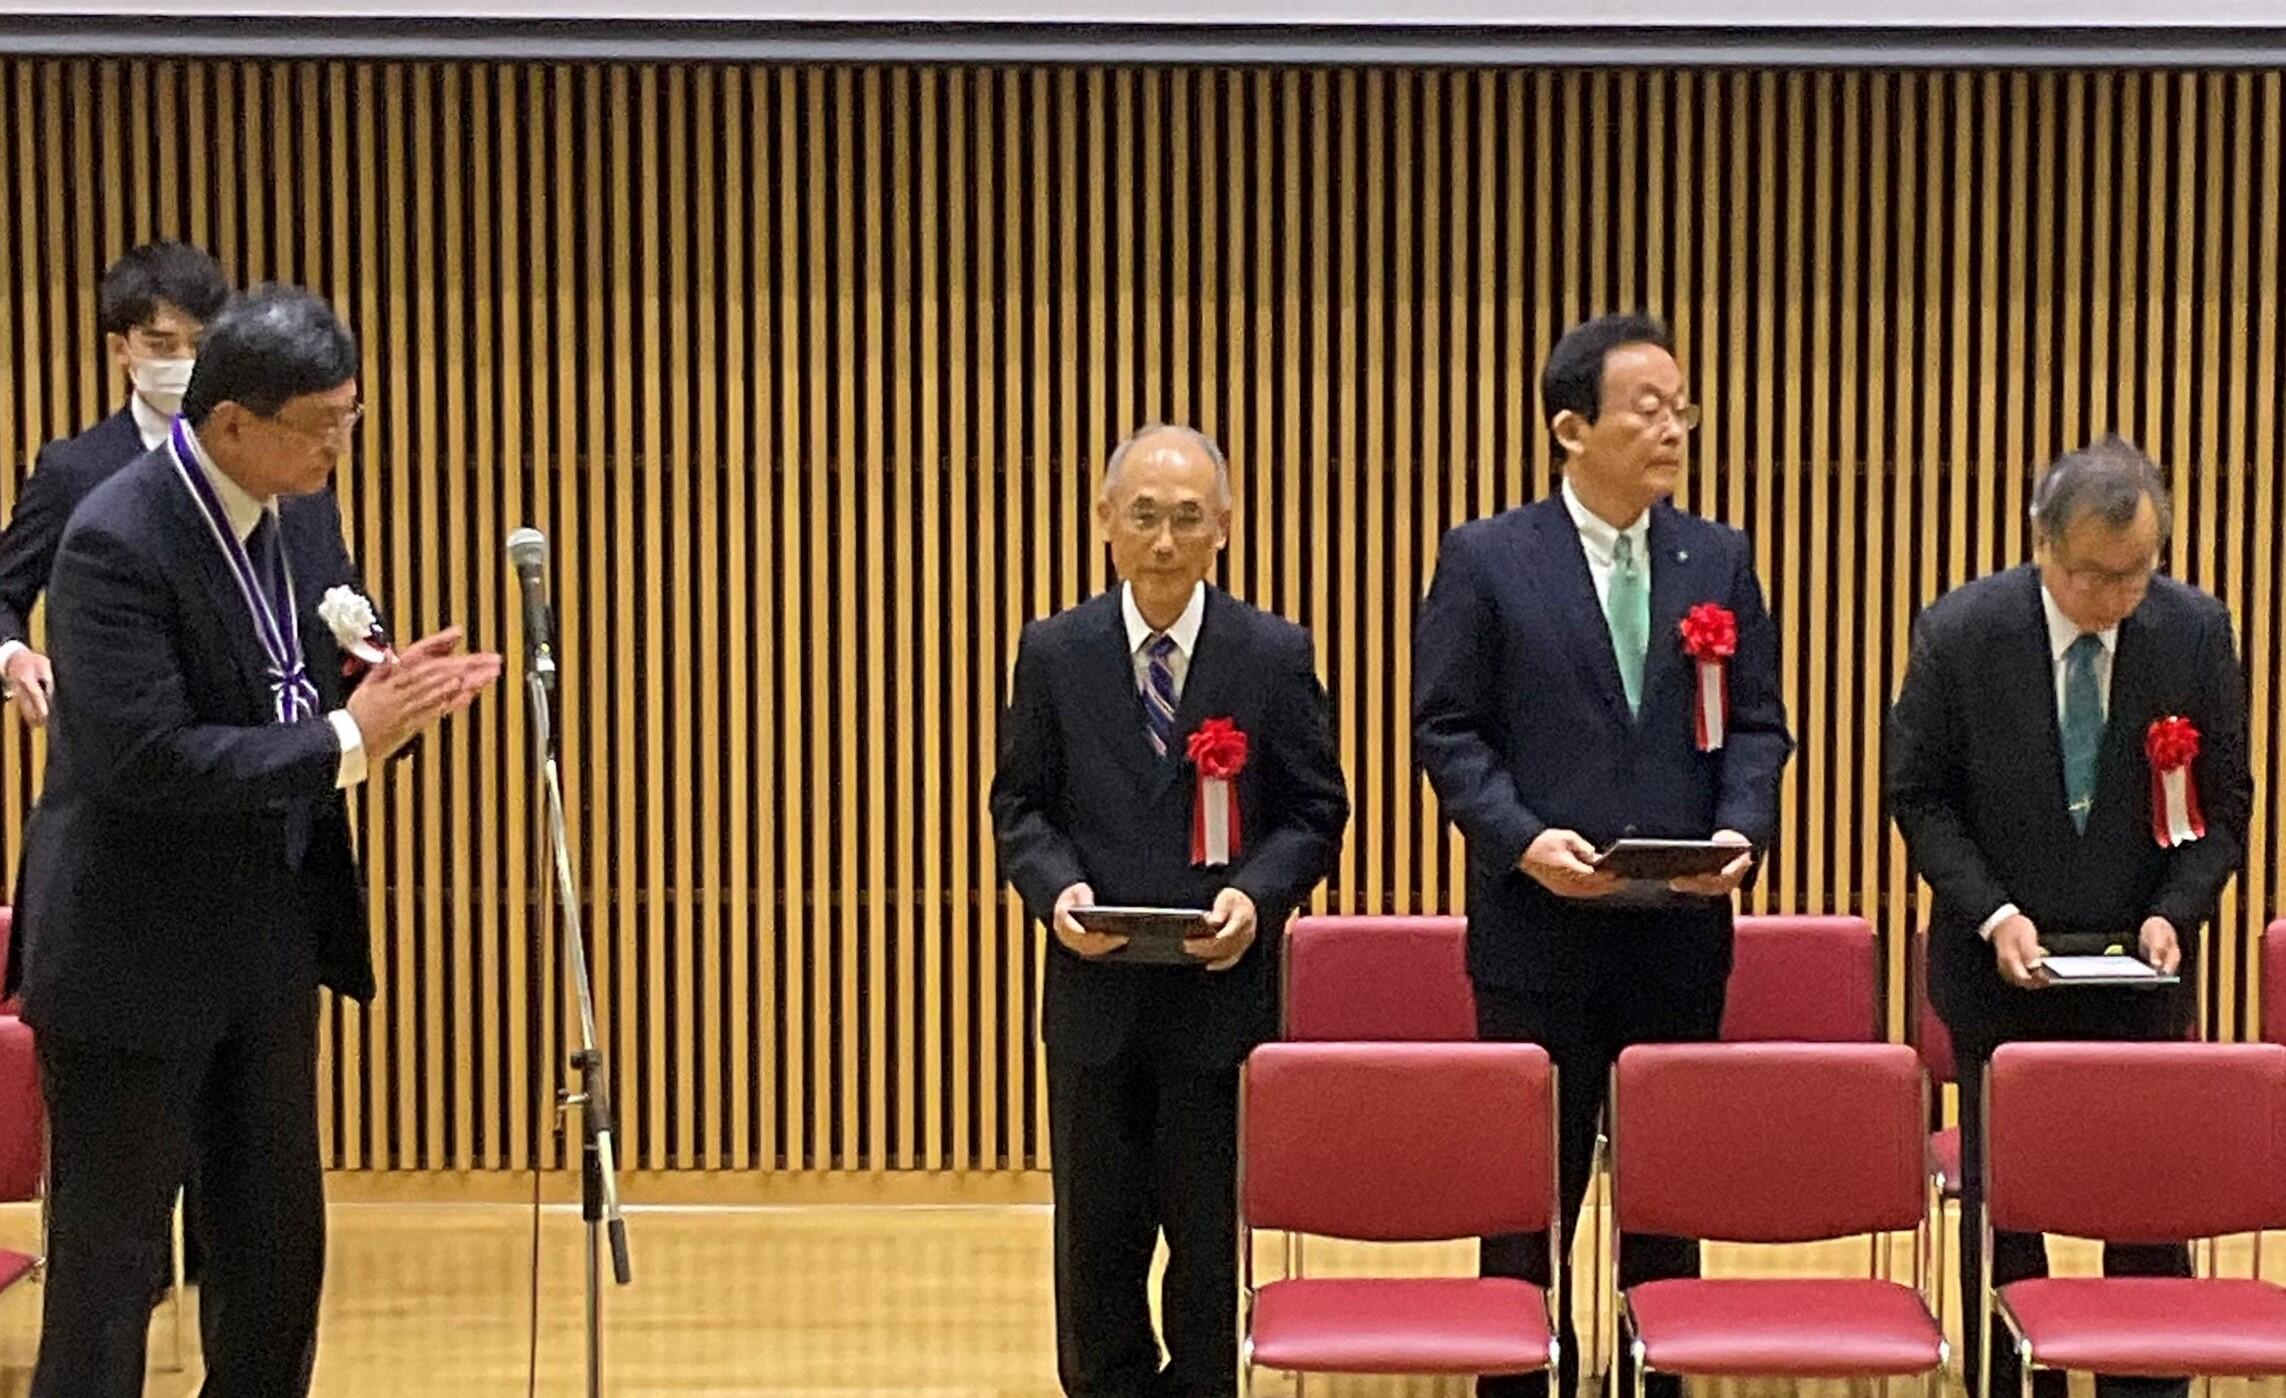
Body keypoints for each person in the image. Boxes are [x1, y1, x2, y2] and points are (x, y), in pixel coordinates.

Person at [3, 285, 502, 1397]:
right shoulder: (116, 538)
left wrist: (396, 701)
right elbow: (149, 759)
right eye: (318, 422)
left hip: (266, 941)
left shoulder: (306, 512)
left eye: (351, 417)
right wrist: (345, 734)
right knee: (112, 1271)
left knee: (274, 1256)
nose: (339, 444)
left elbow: (329, 685)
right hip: (130, 951)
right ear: (232, 424)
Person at [1413, 313, 1792, 1398]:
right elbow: (1447, 730)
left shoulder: (1716, 556)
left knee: (1667, 1202)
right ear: (1570, 428)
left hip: (1678, 928)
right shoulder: (1488, 557)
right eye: (1650, 407)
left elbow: (1756, 725)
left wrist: (1742, 827)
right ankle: (1525, 1381)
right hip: (1538, 930)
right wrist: (1525, 842)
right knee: (1529, 1201)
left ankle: (1655, 1380)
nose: (1675, 427)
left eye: (1683, 408)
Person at [990, 424, 1349, 1398]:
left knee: (1204, 1246)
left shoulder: (1272, 655)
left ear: (1223, 527)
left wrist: (1253, 896)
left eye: (1187, 519)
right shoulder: (1055, 652)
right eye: (1142, 516)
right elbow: (1020, 805)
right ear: (1105, 522)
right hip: (1094, 1001)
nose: (1163, 540)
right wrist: (1055, 889)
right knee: (1097, 1247)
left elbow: (1318, 811)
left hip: (1216, 1004)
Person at [1888, 435, 2250, 1398]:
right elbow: (1919, 796)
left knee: (2145, 1200)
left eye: (2139, 573)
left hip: (2141, 973)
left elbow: (2226, 805)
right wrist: (1993, 913)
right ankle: (2012, 1384)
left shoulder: (2194, 632)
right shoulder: (1963, 633)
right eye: (2095, 576)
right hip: (2000, 973)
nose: (2117, 598)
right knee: (2007, 1213)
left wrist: (2177, 911)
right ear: (2042, 546)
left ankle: (2145, 1384)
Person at [0, 240, 231, 728]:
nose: (184, 360)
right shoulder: (73, 471)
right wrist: (14, 657)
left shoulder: (259, 465)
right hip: (113, 753)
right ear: (121, 347)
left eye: (199, 343)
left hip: (241, 748)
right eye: (162, 344)